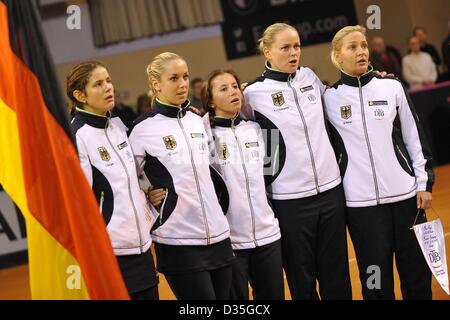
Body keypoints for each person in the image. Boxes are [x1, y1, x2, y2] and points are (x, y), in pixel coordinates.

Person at [242, 23, 352, 300]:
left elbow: (341, 99)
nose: (294, 53)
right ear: (267, 51)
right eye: (286, 47)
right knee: (301, 276)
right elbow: (227, 125)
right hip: (288, 199)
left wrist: (370, 77)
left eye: (297, 46)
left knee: (336, 272)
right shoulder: (252, 94)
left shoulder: (310, 78)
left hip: (330, 191)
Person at [324, 25, 434, 300]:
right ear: (337, 56)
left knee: (417, 276)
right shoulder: (328, 98)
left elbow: (414, 138)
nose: (361, 51)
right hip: (361, 209)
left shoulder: (391, 86)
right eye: (352, 47)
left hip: (407, 199)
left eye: (363, 45)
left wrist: (424, 183)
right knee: (375, 281)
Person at [128, 52, 234, 300]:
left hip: (219, 235)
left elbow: (212, 171)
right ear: (156, 84)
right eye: (173, 78)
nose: (183, 84)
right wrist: (147, 196)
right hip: (178, 241)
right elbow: (126, 180)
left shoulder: (196, 120)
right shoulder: (142, 129)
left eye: (185, 76)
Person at [67, 61, 159, 300]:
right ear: (80, 95)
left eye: (108, 80)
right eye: (98, 84)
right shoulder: (77, 136)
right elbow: (81, 203)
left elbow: (132, 179)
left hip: (142, 247)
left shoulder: (117, 125)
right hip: (110, 254)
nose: (108, 87)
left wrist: (148, 194)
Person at [202, 69, 284, 300]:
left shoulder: (257, 130)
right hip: (231, 241)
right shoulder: (204, 138)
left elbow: (271, 176)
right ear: (210, 100)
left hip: (268, 235)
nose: (233, 92)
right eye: (223, 88)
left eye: (235, 86)